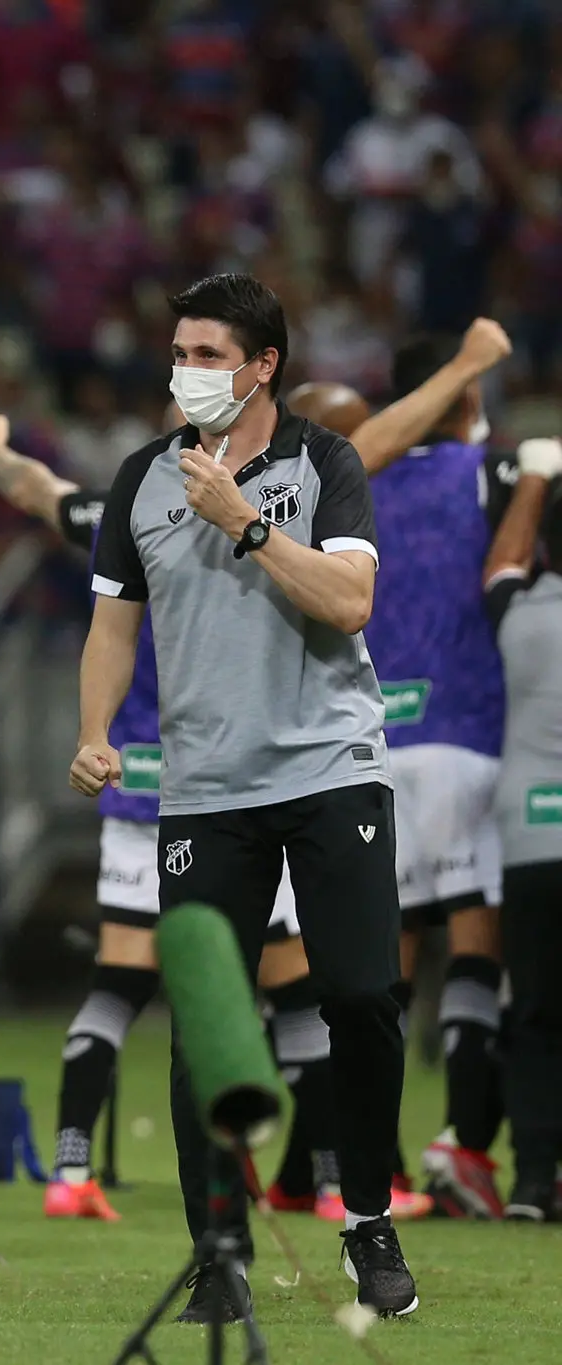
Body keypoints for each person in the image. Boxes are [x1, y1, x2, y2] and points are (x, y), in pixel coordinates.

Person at [76, 274, 416, 1321]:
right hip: (203, 787)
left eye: (208, 353)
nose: (186, 370)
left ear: (261, 364)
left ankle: (363, 1216)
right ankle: (215, 1248)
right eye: (177, 349)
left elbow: (350, 601)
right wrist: (91, 731)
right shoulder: (140, 477)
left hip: (328, 769)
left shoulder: (323, 462)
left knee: (359, 994)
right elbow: (111, 626)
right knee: (207, 1025)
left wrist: (245, 525)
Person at [0, 405, 382, 1225]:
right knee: (292, 990)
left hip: (158, 775)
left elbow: (45, 494)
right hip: (217, 774)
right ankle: (327, 1181)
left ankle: (73, 1166)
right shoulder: (208, 499)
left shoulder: (132, 505)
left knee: (125, 978)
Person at [348, 326, 520, 1218]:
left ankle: (370, 1163)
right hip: (467, 732)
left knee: (391, 970)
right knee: (477, 953)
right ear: (461, 399)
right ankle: (463, 1141)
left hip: (380, 743)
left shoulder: (361, 483)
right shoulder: (489, 477)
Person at [481, 433, 562, 1221]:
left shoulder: (522, 610)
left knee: (535, 1014)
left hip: (533, 841)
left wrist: (534, 472)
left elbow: (503, 562)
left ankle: (535, 1181)